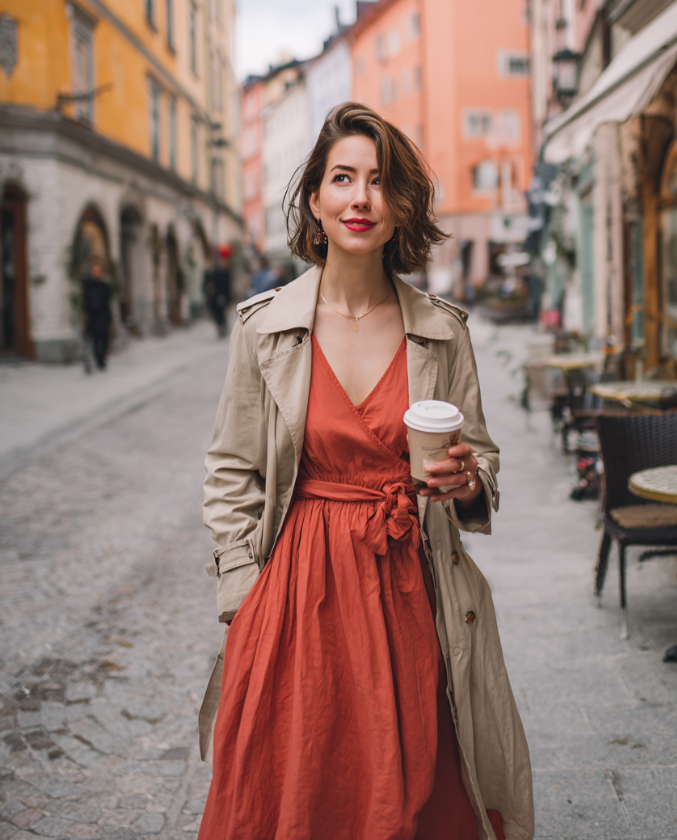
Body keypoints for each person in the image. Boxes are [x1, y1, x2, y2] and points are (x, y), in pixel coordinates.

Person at [198, 103, 533, 840]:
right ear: (315, 200)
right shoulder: (264, 328)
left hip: (410, 585)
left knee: (407, 783)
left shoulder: (442, 330)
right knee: (298, 785)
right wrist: (243, 591)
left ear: (401, 206)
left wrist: (467, 483)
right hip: (294, 594)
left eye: (380, 181)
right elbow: (230, 469)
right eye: (343, 178)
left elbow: (481, 456)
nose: (361, 198)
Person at [81, 256, 112, 370]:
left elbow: (108, 301)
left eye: (98, 270)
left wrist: (109, 318)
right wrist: (86, 317)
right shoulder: (88, 285)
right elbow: (85, 303)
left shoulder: (104, 286)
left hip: (103, 316)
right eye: (94, 270)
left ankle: (101, 360)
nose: (96, 273)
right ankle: (98, 360)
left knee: (104, 339)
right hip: (93, 317)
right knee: (95, 340)